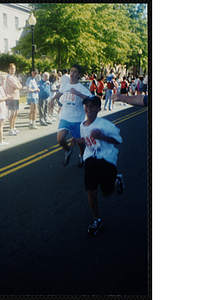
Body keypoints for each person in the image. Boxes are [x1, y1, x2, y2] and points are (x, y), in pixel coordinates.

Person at [70, 95, 124, 235]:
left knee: (105, 193)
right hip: (90, 158)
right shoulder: (83, 125)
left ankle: (117, 181)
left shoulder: (104, 125)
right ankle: (97, 219)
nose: (88, 108)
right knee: (91, 191)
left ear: (98, 109)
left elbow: (118, 140)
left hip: (106, 158)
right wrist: (77, 141)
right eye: (86, 106)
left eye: (92, 106)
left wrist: (102, 137)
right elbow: (86, 139)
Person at [49, 64, 92, 167]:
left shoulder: (80, 87)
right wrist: (52, 99)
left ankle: (81, 155)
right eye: (71, 71)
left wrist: (77, 93)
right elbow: (59, 93)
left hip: (77, 118)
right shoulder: (65, 85)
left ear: (79, 75)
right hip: (65, 117)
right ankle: (67, 151)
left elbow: (90, 99)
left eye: (75, 72)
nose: (72, 73)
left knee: (80, 142)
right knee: (60, 139)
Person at [5, 63, 22, 136]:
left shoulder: (15, 77)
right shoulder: (9, 78)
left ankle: (14, 127)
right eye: (11, 69)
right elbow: (16, 86)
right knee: (12, 114)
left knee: (15, 113)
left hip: (16, 97)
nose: (13, 70)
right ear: (9, 69)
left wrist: (19, 85)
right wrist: (19, 85)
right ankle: (11, 129)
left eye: (14, 69)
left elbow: (20, 85)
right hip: (11, 97)